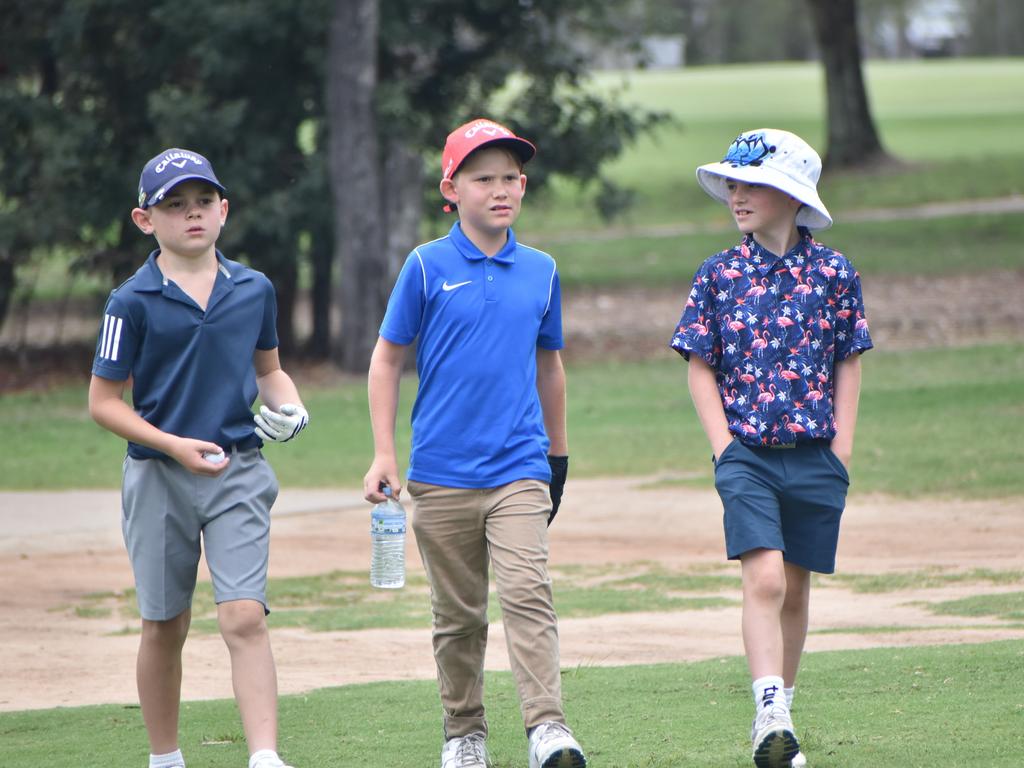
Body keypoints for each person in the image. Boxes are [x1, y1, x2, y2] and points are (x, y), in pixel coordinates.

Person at [363, 118, 585, 768]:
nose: (500, 190)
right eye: (482, 178)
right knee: (458, 617)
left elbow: (551, 368)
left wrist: (558, 457)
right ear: (450, 189)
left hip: (519, 466)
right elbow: (385, 360)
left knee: (526, 593)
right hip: (440, 473)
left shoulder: (541, 271)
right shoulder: (426, 266)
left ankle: (547, 728)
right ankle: (464, 734)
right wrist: (384, 453)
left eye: (510, 178)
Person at [89, 148, 310, 768]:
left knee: (244, 615)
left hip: (238, 469)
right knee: (165, 623)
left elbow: (270, 371)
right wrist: (172, 445)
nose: (193, 215)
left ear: (224, 210)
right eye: (174, 205)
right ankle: (166, 758)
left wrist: (291, 410)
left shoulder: (254, 289)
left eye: (204, 202)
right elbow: (104, 402)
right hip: (159, 476)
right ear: (144, 220)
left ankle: (265, 756)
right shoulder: (129, 301)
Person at [669, 129, 872, 768]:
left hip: (816, 455)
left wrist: (840, 448)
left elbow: (848, 360)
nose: (736, 193)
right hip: (747, 457)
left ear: (790, 193)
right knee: (762, 577)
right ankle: (768, 712)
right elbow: (700, 365)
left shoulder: (835, 272)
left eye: (749, 182)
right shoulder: (719, 273)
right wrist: (724, 448)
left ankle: (782, 715)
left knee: (795, 586)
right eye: (731, 182)